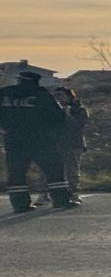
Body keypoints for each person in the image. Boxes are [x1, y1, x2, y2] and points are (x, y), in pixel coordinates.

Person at [0, 69, 74, 211]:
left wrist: (5, 127)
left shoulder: (4, 94)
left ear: (19, 80)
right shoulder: (42, 95)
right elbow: (58, 118)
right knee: (54, 169)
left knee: (16, 173)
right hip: (40, 139)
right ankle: (61, 200)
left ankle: (20, 204)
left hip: (13, 140)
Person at [55, 87, 89, 194]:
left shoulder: (80, 109)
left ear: (69, 97)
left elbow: (79, 126)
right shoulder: (54, 110)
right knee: (53, 170)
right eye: (56, 96)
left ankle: (73, 193)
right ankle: (49, 194)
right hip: (57, 144)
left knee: (72, 171)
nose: (58, 98)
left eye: (60, 95)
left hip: (74, 144)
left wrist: (68, 115)